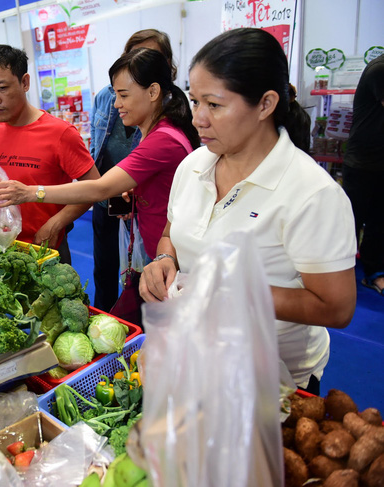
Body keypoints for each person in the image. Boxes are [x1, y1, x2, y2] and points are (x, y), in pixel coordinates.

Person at [138, 28, 357, 394]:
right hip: (198, 355)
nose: (198, 118)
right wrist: (164, 259)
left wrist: (236, 290)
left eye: (215, 104)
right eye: (194, 101)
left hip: (275, 377)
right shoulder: (192, 167)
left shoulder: (311, 194)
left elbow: (335, 308)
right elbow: (171, 234)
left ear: (266, 104)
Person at [0, 48, 196, 268]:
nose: (116, 104)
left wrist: (30, 192)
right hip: (161, 250)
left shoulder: (161, 141)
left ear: (153, 92)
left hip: (172, 256)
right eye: (116, 95)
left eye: (123, 95)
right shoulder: (156, 135)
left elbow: (99, 188)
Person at [0, 44, 100, 263]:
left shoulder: (60, 133)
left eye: (2, 88)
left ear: (25, 82)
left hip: (45, 249)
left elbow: (95, 188)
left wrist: (57, 223)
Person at [88, 29, 177, 311]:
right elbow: (95, 149)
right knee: (106, 271)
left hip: (143, 206)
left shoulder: (167, 127)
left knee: (146, 278)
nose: (118, 102)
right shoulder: (108, 98)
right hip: (114, 199)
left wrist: (33, 192)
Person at [343, 53, 384, 296]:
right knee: (350, 221)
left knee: (380, 223)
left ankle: (374, 273)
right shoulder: (380, 68)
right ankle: (335, 273)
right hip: (362, 162)